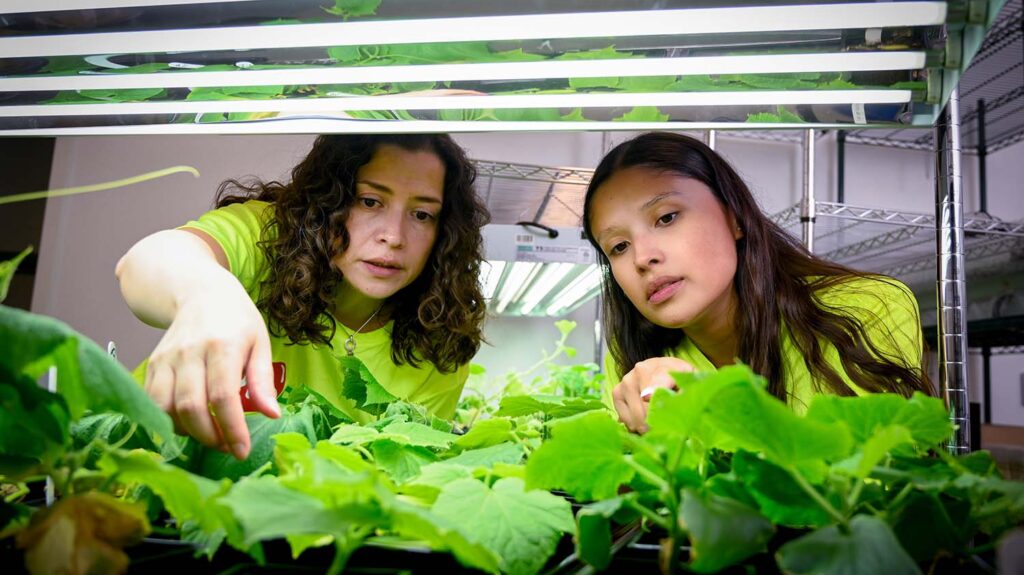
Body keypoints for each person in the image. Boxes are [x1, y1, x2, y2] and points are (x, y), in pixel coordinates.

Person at [116, 134, 489, 458]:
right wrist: (207, 296)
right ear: (330, 201)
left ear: (444, 234)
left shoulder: (439, 350)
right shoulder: (268, 237)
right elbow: (146, 262)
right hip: (129, 470)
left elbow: (396, 480)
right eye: (370, 201)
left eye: (422, 214)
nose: (394, 235)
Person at [582, 132, 933, 433]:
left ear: (734, 217)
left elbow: (875, 493)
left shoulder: (865, 308)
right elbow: (630, 502)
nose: (642, 258)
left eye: (667, 217)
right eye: (619, 247)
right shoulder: (637, 363)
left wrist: (707, 411)